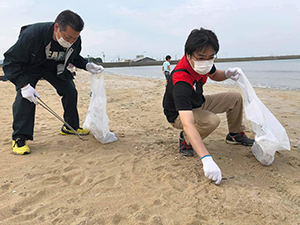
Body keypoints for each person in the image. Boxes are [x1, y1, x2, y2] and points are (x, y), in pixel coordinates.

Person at [3, 10, 104, 155]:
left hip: (54, 68)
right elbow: (9, 61)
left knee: (70, 90)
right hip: (30, 67)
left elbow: (74, 57)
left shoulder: (75, 39)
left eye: (75, 39)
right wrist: (24, 85)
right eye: (68, 37)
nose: (71, 42)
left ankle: (70, 126)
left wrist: (87, 65)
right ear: (56, 28)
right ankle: (19, 137)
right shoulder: (32, 35)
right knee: (26, 98)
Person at [162, 28, 254, 185]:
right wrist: (206, 158)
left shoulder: (203, 63)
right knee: (211, 121)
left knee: (235, 98)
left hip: (199, 103)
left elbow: (213, 74)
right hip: (179, 114)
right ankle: (186, 140)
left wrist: (227, 74)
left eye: (211, 57)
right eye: (201, 57)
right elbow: (187, 123)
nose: (206, 61)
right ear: (188, 55)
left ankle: (234, 134)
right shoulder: (181, 80)